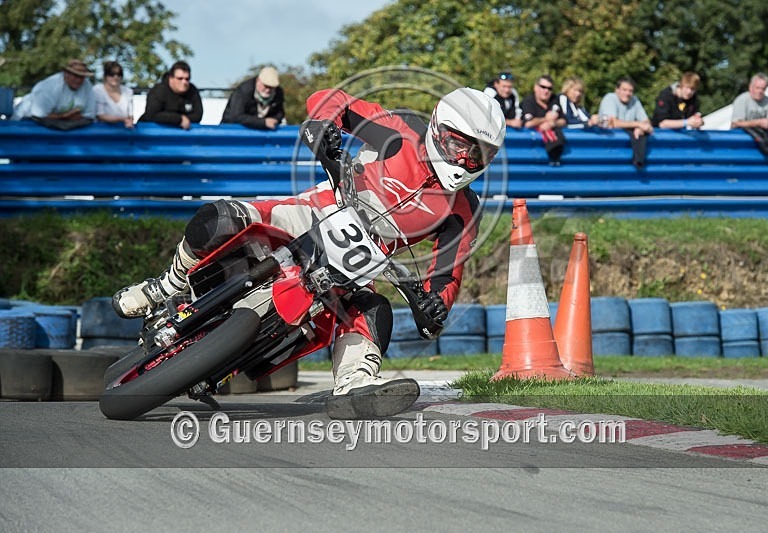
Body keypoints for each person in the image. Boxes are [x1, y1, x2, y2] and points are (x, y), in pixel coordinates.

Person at [111, 87, 506, 419]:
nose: (465, 161)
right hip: (317, 210)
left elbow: (448, 270)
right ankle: (167, 284)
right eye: (460, 146)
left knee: (375, 309)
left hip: (365, 261)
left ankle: (355, 382)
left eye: (479, 156)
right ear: (439, 127)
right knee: (220, 218)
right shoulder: (402, 131)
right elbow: (333, 99)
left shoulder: (463, 207)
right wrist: (323, 125)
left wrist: (434, 307)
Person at [12, 59, 96, 123]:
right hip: (25, 121)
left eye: (81, 76)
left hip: (59, 125)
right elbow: (39, 115)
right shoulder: (50, 86)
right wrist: (64, 116)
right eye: (75, 75)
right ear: (66, 73)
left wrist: (69, 117)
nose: (78, 80)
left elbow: (89, 114)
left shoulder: (87, 85)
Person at [598, 76, 653, 167]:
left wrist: (641, 129)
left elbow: (647, 123)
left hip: (626, 148)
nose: (627, 93)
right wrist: (638, 124)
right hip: (608, 148)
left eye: (630, 91)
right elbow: (613, 123)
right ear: (617, 90)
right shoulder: (610, 98)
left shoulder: (634, 100)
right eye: (624, 90)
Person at [139, 61, 202, 129]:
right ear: (171, 78)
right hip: (149, 132)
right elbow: (151, 115)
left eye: (187, 79)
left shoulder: (192, 91)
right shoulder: (159, 91)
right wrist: (179, 119)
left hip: (181, 134)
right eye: (180, 78)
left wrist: (182, 120)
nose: (184, 82)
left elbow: (198, 116)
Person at [521, 74, 566, 164]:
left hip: (558, 150)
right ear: (535, 88)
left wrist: (552, 124)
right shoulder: (528, 101)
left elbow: (563, 121)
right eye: (543, 87)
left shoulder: (554, 99)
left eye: (549, 88)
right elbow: (528, 124)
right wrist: (546, 118)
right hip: (529, 152)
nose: (546, 91)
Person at [221, 66, 285, 130]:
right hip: (231, 130)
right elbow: (236, 116)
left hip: (262, 133)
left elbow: (280, 113)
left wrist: (275, 120)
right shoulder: (243, 90)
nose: (268, 90)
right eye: (265, 86)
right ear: (258, 81)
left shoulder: (278, 93)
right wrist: (263, 122)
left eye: (271, 87)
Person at [93, 61, 134, 128]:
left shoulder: (128, 91)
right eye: (111, 74)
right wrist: (123, 119)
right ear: (105, 76)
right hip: (101, 131)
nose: (116, 77)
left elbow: (130, 115)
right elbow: (100, 116)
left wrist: (130, 121)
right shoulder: (97, 90)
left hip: (123, 132)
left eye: (119, 74)